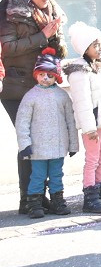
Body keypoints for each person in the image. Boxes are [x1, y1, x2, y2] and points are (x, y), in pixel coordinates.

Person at [1, 0, 67, 214]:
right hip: (17, 87)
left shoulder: (50, 11)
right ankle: (27, 200)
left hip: (43, 85)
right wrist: (44, 36)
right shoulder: (12, 12)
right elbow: (7, 48)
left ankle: (40, 196)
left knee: (45, 141)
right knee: (29, 142)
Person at [63, 22, 101, 213]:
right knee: (92, 159)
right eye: (94, 45)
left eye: (100, 44)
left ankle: (99, 192)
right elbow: (82, 101)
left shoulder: (100, 67)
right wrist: (89, 128)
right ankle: (90, 196)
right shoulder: (80, 71)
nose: (99, 48)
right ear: (83, 47)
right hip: (92, 124)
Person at [15, 49, 79, 219]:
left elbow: (70, 121)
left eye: (49, 75)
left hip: (58, 147)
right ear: (36, 75)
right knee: (37, 176)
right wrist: (25, 145)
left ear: (56, 77)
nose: (45, 78)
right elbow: (22, 122)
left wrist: (73, 144)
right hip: (38, 149)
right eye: (42, 74)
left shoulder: (62, 96)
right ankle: (34, 204)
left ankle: (58, 201)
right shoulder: (30, 96)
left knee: (57, 175)